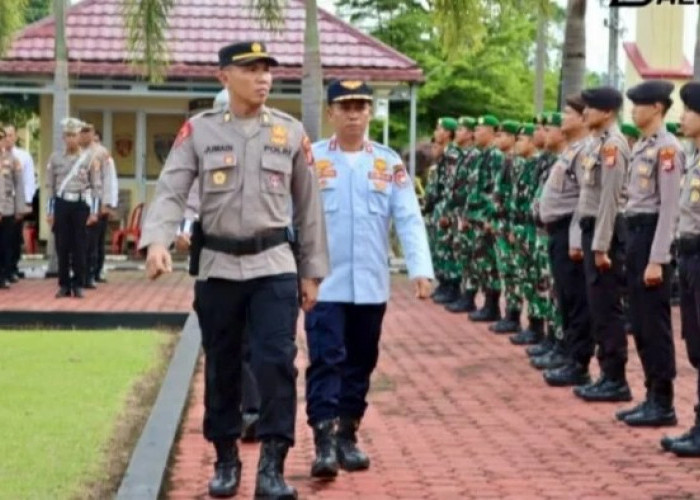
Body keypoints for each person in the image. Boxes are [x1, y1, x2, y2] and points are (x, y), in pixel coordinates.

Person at [139, 41, 329, 499]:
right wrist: (157, 241)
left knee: (275, 363)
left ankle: (272, 466)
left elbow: (309, 208)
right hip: (219, 267)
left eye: (267, 70)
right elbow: (170, 189)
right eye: (251, 70)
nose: (263, 78)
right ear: (224, 76)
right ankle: (226, 458)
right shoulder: (199, 132)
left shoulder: (288, 131)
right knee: (223, 365)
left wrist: (311, 272)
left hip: (274, 266)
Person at [305, 79, 433, 479]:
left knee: (361, 361)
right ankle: (323, 442)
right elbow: (297, 218)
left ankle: (348, 434)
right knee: (326, 360)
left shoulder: (388, 162)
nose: (354, 114)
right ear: (331, 113)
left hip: (371, 284)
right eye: (345, 107)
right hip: (324, 283)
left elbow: (408, 217)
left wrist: (421, 269)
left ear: (370, 112)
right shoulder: (312, 160)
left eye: (361, 106)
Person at [614, 80, 682, 427]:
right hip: (635, 235)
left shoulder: (668, 149)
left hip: (652, 237)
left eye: (639, 105)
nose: (633, 111)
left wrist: (658, 258)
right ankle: (650, 394)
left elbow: (670, 208)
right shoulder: (643, 146)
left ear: (657, 107)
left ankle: (663, 401)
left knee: (654, 324)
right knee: (639, 321)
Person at [571, 87, 632, 405]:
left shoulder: (614, 146)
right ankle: (605, 374)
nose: (584, 113)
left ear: (607, 112)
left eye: (590, 108)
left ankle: (616, 378)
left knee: (608, 308)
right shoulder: (596, 144)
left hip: (604, 232)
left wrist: (601, 245)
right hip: (591, 228)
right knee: (597, 306)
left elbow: (610, 200)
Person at [536, 96, 594, 385]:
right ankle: (570, 356)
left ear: (583, 119)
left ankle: (578, 361)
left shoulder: (584, 152)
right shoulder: (571, 151)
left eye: (568, 113)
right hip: (556, 232)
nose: (562, 117)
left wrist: (574, 239)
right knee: (566, 298)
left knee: (576, 300)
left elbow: (585, 199)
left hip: (570, 234)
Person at [660, 81, 700, 456]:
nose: (682, 118)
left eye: (689, 111)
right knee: (696, 346)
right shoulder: (694, 157)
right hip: (688, 257)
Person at [46, 118, 101, 298]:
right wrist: (50, 211)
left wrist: (94, 211)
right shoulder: (55, 158)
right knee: (62, 245)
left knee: (80, 245)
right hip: (62, 204)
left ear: (80, 137)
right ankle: (63, 284)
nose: (71, 139)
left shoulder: (89, 158)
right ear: (63, 137)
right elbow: (50, 187)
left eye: (74, 135)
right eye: (68, 135)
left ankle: (78, 283)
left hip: (80, 205)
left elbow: (95, 186)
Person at [467, 114, 505, 322]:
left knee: (490, 262)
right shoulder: (482, 155)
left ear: (491, 132)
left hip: (486, 217)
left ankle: (493, 306)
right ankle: (488, 304)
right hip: (477, 216)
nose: (476, 133)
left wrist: (490, 216)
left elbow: (496, 190)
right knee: (481, 261)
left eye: (480, 130)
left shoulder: (496, 156)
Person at [489, 119, 523, 333]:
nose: (498, 139)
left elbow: (515, 198)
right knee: (506, 271)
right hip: (502, 222)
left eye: (503, 135)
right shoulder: (507, 161)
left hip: (514, 225)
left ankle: (515, 315)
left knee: (516, 271)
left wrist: (510, 226)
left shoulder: (517, 163)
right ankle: (509, 313)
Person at [80, 123, 115, 287]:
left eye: (87, 131)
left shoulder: (101, 153)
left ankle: (90, 275)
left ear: (93, 133)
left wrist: (106, 203)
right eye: (82, 131)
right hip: (78, 201)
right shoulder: (76, 152)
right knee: (79, 241)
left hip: (95, 201)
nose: (84, 134)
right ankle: (79, 274)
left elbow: (108, 180)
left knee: (92, 242)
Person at [4, 124, 36, 281]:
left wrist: (26, 203)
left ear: (15, 137)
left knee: (14, 238)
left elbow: (29, 181)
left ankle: (12, 268)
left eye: (11, 135)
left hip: (16, 202)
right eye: (5, 135)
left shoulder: (23, 157)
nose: (7, 139)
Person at [0, 128, 27, 288]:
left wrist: (19, 209)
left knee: (6, 244)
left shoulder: (13, 160)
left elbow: (19, 185)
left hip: (7, 207)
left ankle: (4, 275)